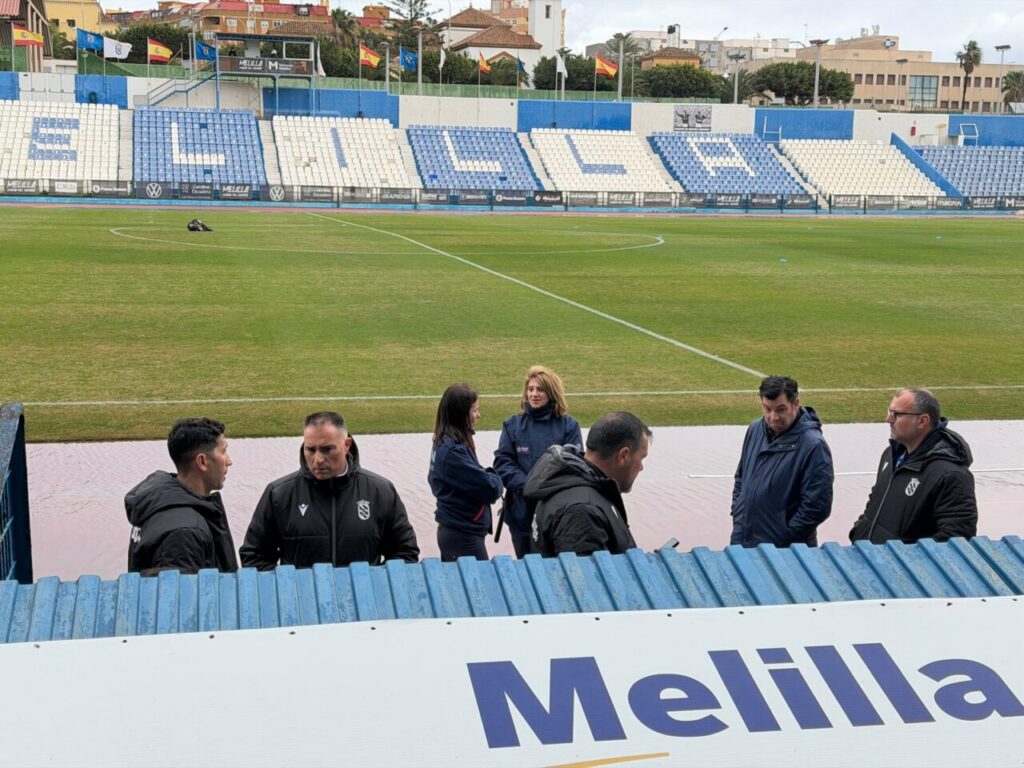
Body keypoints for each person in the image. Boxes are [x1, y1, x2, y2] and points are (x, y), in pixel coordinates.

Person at [240, 412, 419, 569]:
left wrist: (370, 585)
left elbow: (405, 552)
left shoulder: (380, 492)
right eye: (310, 449)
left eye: (327, 449)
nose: (318, 459)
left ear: (346, 444)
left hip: (362, 604)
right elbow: (254, 557)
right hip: (303, 606)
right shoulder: (279, 494)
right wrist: (291, 588)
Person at [850, 388, 977, 544]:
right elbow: (875, 501)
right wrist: (859, 532)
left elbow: (955, 539)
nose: (888, 419)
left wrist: (905, 560)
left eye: (896, 414)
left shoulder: (950, 475)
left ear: (923, 421)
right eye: (889, 412)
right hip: (871, 558)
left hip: (903, 566)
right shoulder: (890, 455)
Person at [525, 411, 650, 557]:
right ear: (623, 456)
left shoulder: (580, 483)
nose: (641, 466)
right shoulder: (583, 511)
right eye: (642, 458)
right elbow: (588, 578)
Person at [730, 375, 834, 548]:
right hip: (742, 540)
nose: (773, 417)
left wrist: (785, 537)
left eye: (780, 409)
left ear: (796, 403)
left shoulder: (814, 446)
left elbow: (817, 506)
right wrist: (738, 512)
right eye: (767, 409)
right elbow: (741, 477)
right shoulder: (755, 429)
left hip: (785, 552)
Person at [126, 417, 238, 575]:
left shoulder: (158, 502)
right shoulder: (185, 533)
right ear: (202, 462)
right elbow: (182, 597)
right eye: (224, 451)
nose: (229, 461)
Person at [494, 365, 583, 557]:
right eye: (531, 389)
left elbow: (576, 467)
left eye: (540, 389)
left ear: (551, 392)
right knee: (527, 567)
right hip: (521, 514)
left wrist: (546, 489)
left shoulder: (569, 426)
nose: (534, 394)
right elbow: (502, 463)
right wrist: (528, 486)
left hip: (557, 514)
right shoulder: (512, 425)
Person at [429, 383, 504, 561]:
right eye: (475, 410)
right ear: (460, 414)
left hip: (459, 532)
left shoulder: (448, 441)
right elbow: (491, 488)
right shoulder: (453, 451)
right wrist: (494, 476)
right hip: (463, 536)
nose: (478, 415)